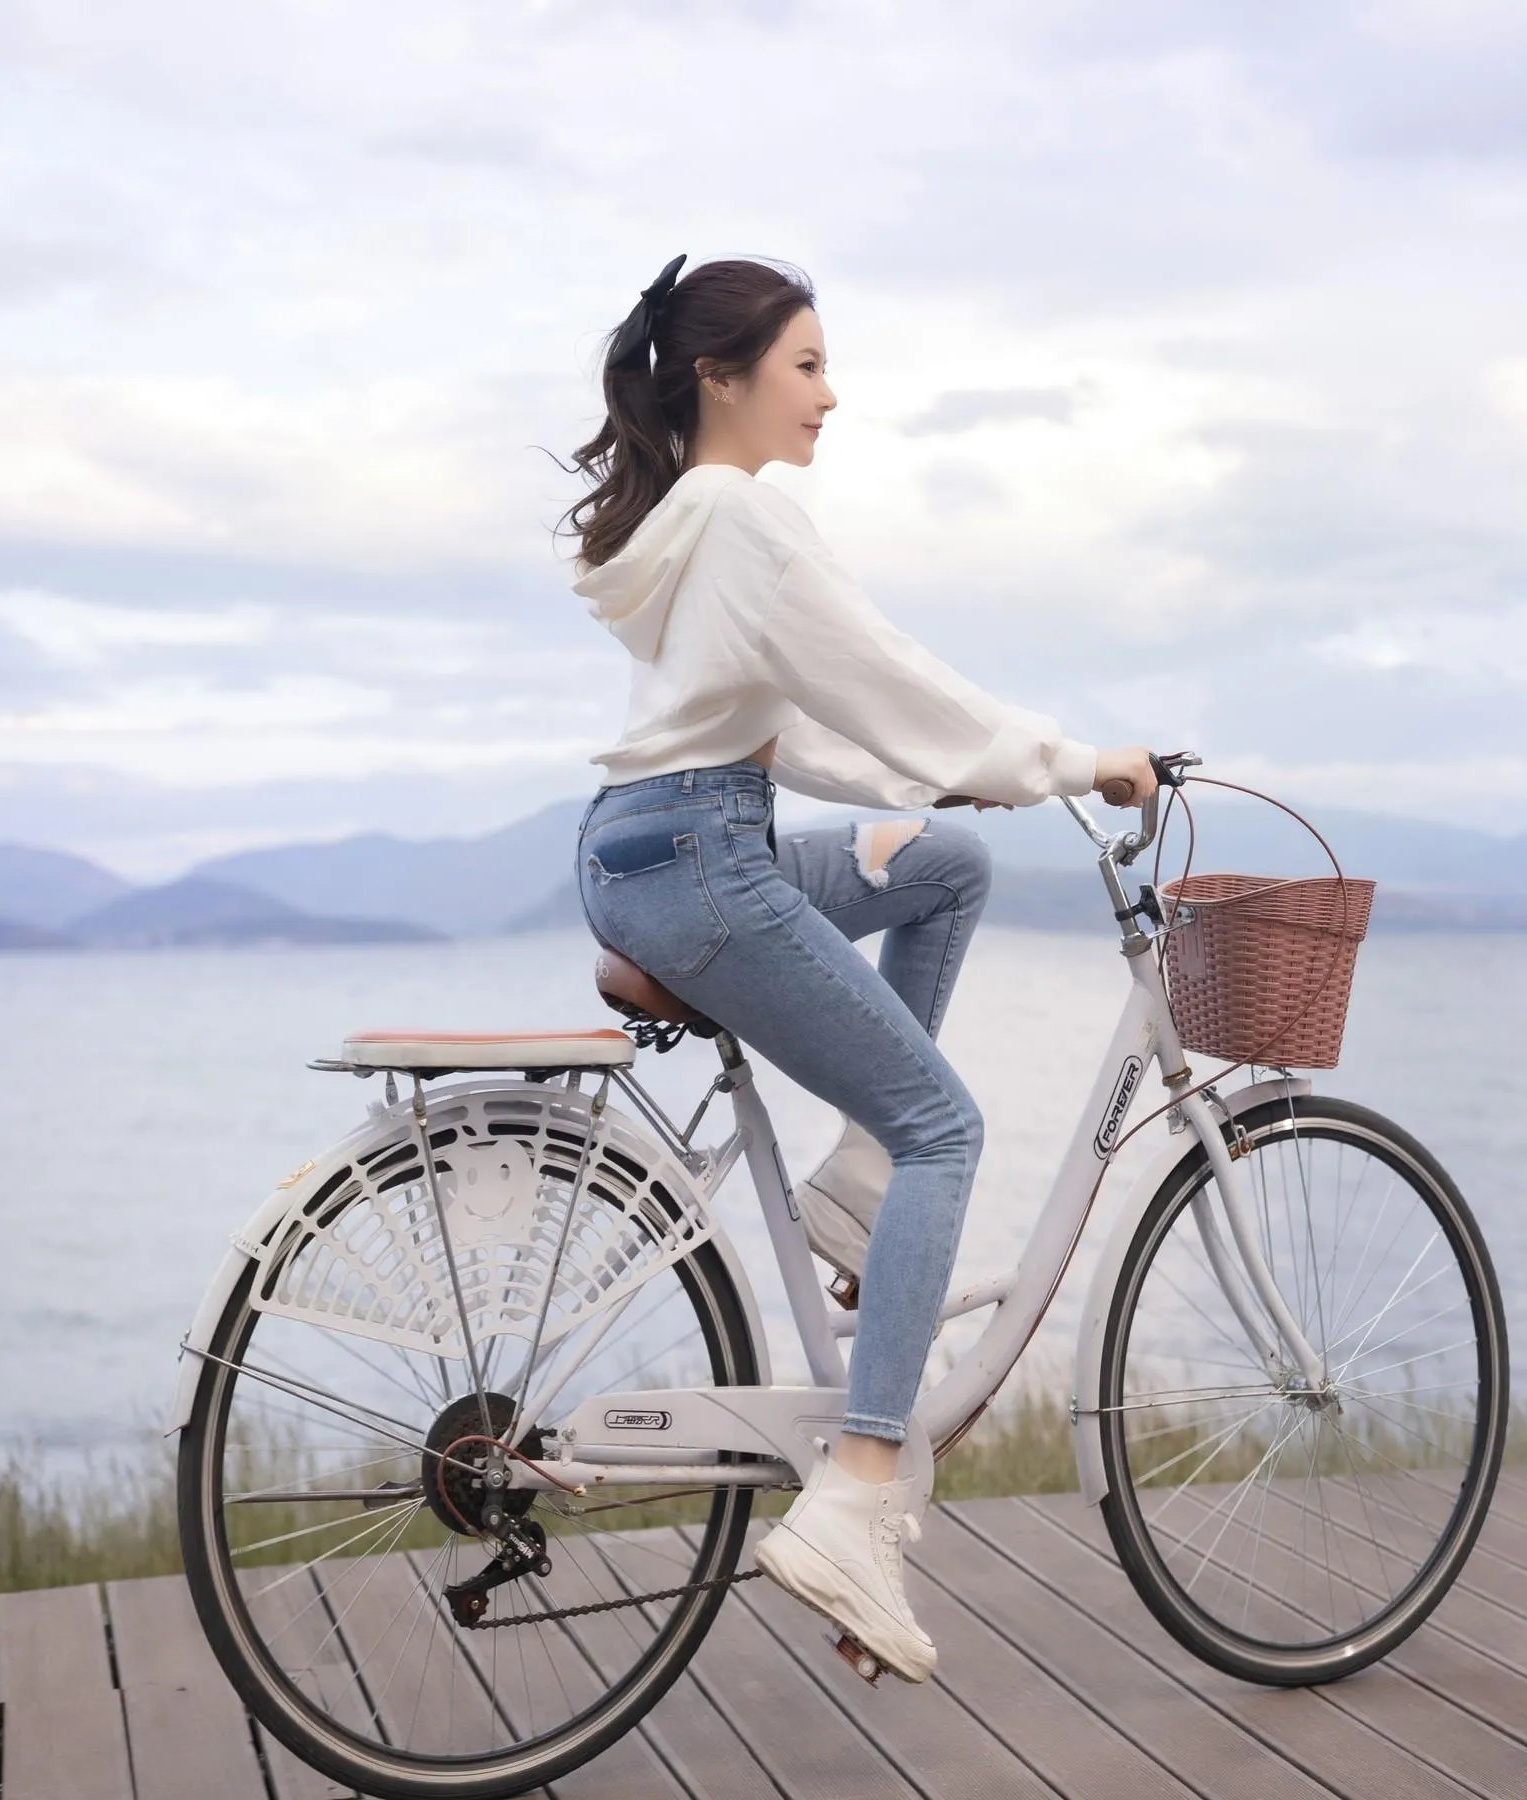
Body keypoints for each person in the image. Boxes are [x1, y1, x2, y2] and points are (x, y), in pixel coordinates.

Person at [562, 255, 1155, 1684]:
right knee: (948, 1123)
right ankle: (865, 1489)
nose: (833, 393)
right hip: (706, 860)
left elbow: (798, 721)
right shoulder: (746, 515)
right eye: (808, 364)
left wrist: (953, 791)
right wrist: (1067, 760)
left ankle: (855, 1191)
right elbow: (886, 671)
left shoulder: (696, 522)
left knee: (945, 869)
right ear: (724, 376)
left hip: (669, 840)